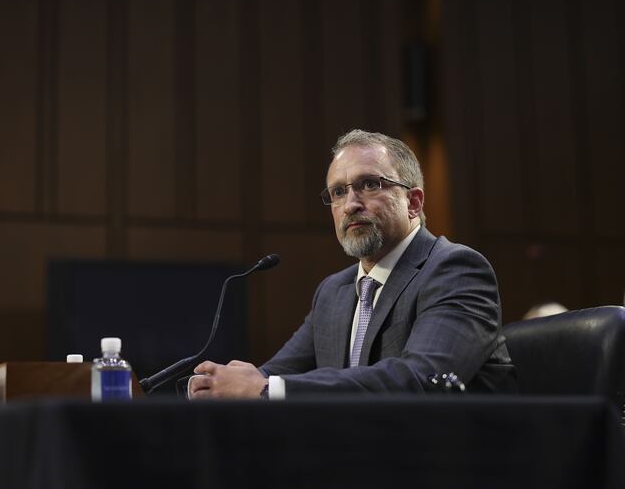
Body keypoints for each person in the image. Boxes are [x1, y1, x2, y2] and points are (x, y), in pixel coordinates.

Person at [189, 129, 516, 399]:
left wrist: (265, 388)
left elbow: (421, 380)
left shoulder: (456, 270)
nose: (350, 205)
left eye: (370, 185)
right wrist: (217, 385)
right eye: (338, 192)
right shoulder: (334, 291)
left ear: (413, 203)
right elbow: (272, 375)